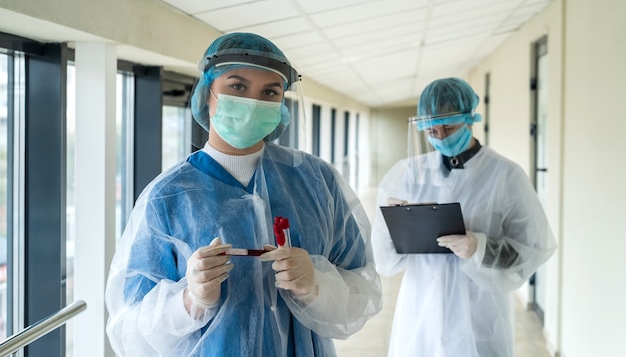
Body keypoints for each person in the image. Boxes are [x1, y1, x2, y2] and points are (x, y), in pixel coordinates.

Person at [105, 32, 383, 356]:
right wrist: (190, 300)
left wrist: (316, 285)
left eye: (270, 92)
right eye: (237, 86)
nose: (254, 102)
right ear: (205, 93)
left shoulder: (316, 181)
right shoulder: (166, 198)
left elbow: (362, 290)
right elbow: (130, 329)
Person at [371, 77, 557, 357]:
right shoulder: (408, 173)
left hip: (480, 314)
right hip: (422, 308)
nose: (441, 137)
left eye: (448, 127)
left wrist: (479, 248)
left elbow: (533, 249)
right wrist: (393, 224)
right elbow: (384, 259)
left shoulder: (505, 175)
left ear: (470, 118)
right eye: (432, 130)